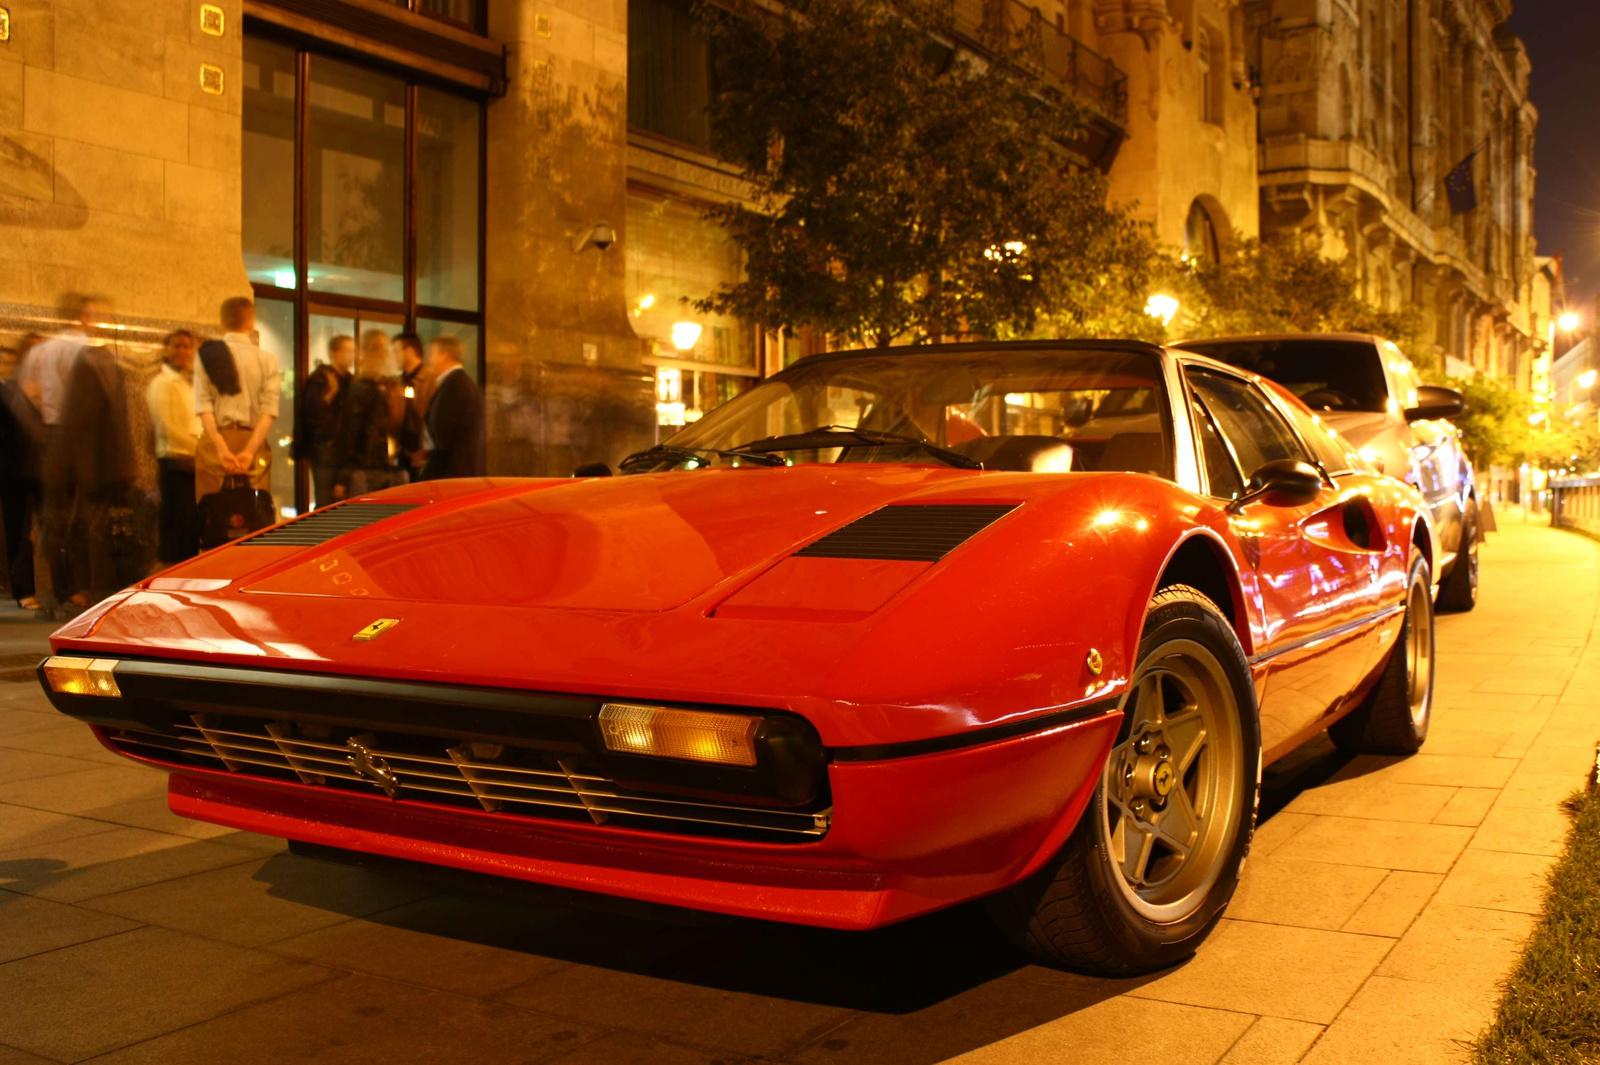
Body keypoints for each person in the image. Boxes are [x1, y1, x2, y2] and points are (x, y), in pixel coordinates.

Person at [22, 296, 107, 612]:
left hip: (55, 436)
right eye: (94, 314)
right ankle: (73, 589)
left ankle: (66, 588)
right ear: (83, 316)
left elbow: (30, 395)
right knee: (73, 517)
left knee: (58, 517)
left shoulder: (45, 350)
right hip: (73, 437)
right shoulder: (80, 350)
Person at [54, 339, 139, 603]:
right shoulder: (81, 385)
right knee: (83, 531)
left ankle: (96, 588)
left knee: (96, 532)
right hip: (85, 470)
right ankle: (79, 589)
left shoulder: (110, 383)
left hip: (101, 470)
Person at [195, 297, 280, 510]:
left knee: (213, 516)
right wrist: (250, 451)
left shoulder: (207, 355)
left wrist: (222, 449)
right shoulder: (267, 359)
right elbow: (269, 411)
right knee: (254, 515)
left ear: (222, 322)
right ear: (251, 322)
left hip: (215, 441)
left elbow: (204, 406)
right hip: (253, 440)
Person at [145, 330, 201, 564]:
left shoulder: (187, 383)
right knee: (177, 533)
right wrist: (202, 451)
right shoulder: (161, 383)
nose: (182, 351)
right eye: (177, 346)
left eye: (187, 346)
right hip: (176, 463)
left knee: (189, 534)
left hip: (192, 465)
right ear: (166, 350)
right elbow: (167, 427)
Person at [332, 330, 407, 498]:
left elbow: (351, 434)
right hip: (384, 469)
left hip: (372, 470)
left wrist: (343, 477)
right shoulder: (392, 388)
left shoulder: (367, 388)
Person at [0, 341, 43, 610]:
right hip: (8, 471)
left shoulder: (19, 391)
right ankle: (20, 590)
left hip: (22, 473)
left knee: (22, 533)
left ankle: (24, 589)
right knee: (16, 533)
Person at [297, 335, 354, 509]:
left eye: (353, 351)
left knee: (346, 501)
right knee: (325, 501)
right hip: (325, 448)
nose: (352, 355)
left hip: (347, 448)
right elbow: (312, 412)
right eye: (348, 351)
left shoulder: (351, 381)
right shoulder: (320, 378)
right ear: (334, 353)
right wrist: (331, 393)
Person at [421, 335, 485, 480]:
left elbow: (446, 431)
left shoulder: (456, 385)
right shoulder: (454, 383)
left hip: (452, 472)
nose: (429, 360)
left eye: (432, 354)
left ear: (444, 355)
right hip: (453, 470)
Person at [391, 332, 434, 482]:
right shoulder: (397, 382)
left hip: (422, 458)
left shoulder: (431, 380)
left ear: (409, 350)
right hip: (400, 457)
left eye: (397, 351)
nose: (394, 356)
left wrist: (425, 452)